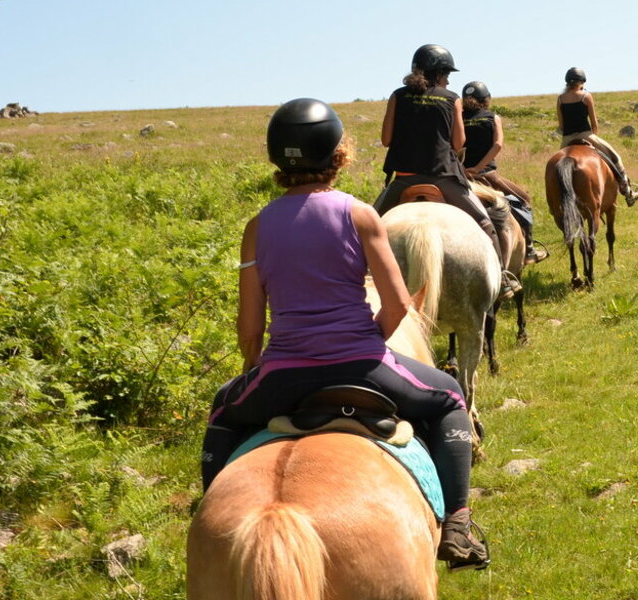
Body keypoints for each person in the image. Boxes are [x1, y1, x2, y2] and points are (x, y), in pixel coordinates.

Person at [199, 98, 490, 571]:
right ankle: (457, 524)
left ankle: (210, 519)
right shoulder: (359, 215)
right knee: (450, 398)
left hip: (283, 374)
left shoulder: (257, 228)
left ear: (278, 159)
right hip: (363, 364)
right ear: (338, 156)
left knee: (223, 411)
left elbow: (250, 330)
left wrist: (255, 369)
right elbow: (397, 305)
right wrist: (366, 342)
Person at [372, 44, 519, 294]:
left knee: (367, 228)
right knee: (485, 223)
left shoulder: (397, 96)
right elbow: (459, 143)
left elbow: (386, 140)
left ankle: (354, 280)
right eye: (447, 74)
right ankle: (503, 278)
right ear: (438, 73)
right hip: (443, 179)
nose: (449, 79)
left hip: (404, 179)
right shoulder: (452, 99)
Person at [460, 80, 546, 264]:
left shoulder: (456, 119)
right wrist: (479, 168)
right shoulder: (493, 118)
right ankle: (529, 249)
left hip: (462, 176)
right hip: (487, 176)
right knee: (524, 200)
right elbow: (498, 144)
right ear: (486, 99)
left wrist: (464, 169)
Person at [557, 67, 638, 205]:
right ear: (582, 82)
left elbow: (561, 125)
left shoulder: (560, 99)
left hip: (567, 139)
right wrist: (593, 136)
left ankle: (557, 201)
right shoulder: (586, 96)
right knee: (616, 157)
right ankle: (628, 192)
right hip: (587, 135)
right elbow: (594, 123)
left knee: (556, 168)